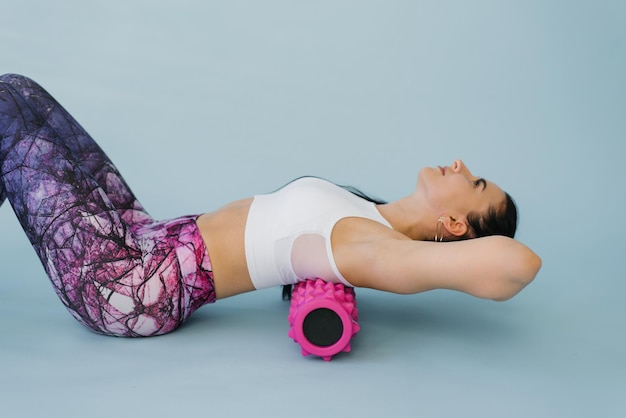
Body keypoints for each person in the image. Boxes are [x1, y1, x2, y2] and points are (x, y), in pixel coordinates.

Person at [0, 74, 541, 338]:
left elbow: (518, 265)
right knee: (19, 92)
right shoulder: (366, 214)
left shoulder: (376, 249)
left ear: (453, 222)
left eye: (475, 183)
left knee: (4, 109)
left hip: (132, 284)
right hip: (145, 235)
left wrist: (450, 252)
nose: (460, 163)